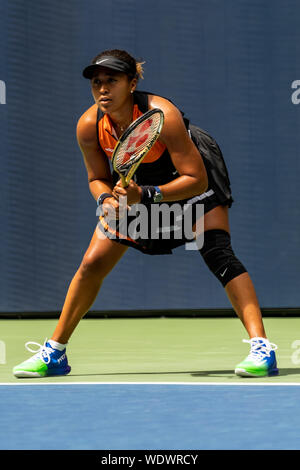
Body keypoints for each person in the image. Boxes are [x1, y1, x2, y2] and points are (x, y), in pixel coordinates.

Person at [13, 49, 278, 379]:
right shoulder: (89, 125)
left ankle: (262, 349)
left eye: (112, 80)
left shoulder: (162, 115)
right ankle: (54, 353)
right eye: (97, 83)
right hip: (139, 188)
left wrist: (148, 195)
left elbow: (197, 180)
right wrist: (107, 198)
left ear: (133, 82)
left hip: (190, 176)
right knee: (92, 263)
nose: (103, 89)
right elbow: (97, 178)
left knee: (218, 253)